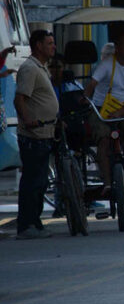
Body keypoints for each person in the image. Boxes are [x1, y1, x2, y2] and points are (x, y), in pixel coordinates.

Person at [82, 32, 124, 194]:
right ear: (117, 48)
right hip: (101, 109)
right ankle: (107, 183)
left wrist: (122, 111)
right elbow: (91, 86)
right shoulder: (106, 65)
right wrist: (86, 99)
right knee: (103, 140)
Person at [13, 30, 58, 239]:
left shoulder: (41, 68)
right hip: (33, 136)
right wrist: (28, 120)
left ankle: (35, 222)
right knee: (32, 182)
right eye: (49, 43)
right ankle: (26, 225)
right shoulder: (29, 68)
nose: (53, 47)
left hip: (45, 133)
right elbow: (19, 99)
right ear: (38, 45)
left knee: (40, 182)